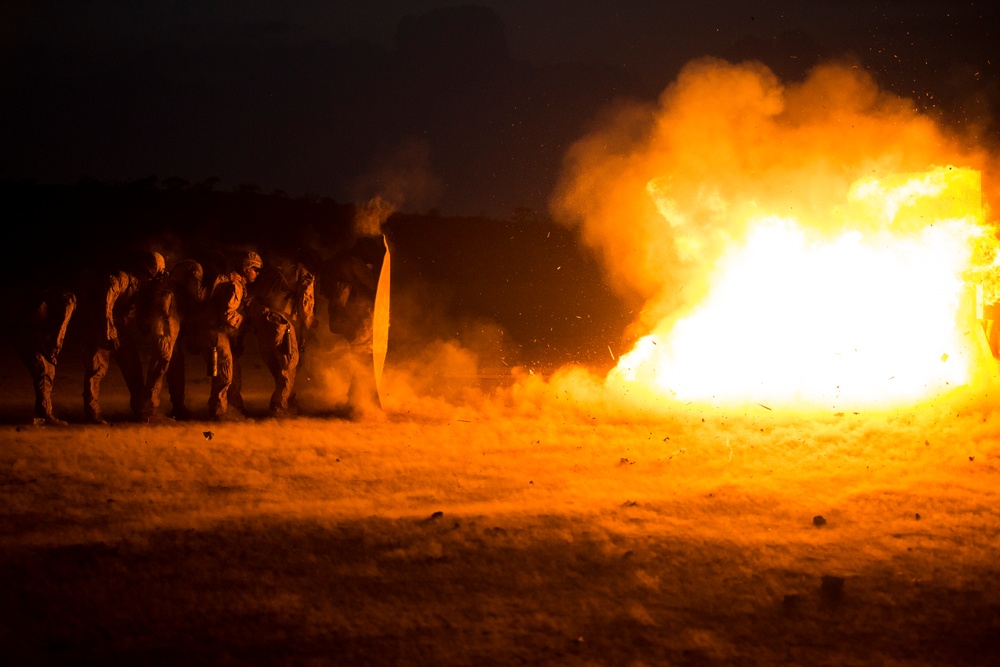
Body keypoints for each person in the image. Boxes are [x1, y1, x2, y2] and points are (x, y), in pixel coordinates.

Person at [82, 251, 165, 425]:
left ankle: (140, 411)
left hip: (121, 331)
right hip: (102, 330)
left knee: (133, 371)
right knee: (96, 371)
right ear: (143, 269)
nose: (150, 280)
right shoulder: (119, 278)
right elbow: (105, 305)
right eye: (150, 276)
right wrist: (109, 333)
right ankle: (91, 413)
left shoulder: (138, 284)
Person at [322, 233, 388, 416]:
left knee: (361, 358)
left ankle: (354, 400)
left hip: (344, 316)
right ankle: (357, 404)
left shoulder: (343, 259)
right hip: (350, 317)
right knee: (363, 358)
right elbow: (373, 284)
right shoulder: (352, 261)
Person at [139, 257, 206, 422]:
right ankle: (149, 411)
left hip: (171, 336)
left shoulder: (168, 288)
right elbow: (162, 315)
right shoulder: (163, 290)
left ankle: (178, 405)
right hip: (164, 335)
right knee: (159, 368)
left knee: (176, 368)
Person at [249, 261, 318, 418]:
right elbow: (304, 302)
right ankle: (278, 409)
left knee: (277, 366)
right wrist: (311, 321)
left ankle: (289, 401)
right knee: (289, 365)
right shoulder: (303, 274)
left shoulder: (272, 268)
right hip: (281, 323)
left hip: (262, 321)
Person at [203, 250, 261, 421]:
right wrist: (243, 322)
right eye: (255, 269)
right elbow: (228, 313)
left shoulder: (239, 285)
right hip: (217, 332)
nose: (257, 273)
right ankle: (218, 413)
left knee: (233, 372)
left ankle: (234, 409)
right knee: (225, 371)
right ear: (246, 269)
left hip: (224, 333)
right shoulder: (235, 285)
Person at [9, 286, 77, 426]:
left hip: (21, 333)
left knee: (44, 370)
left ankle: (43, 412)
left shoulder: (51, 294)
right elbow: (61, 328)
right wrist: (54, 351)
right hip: (27, 335)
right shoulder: (69, 300)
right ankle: (45, 415)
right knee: (44, 371)